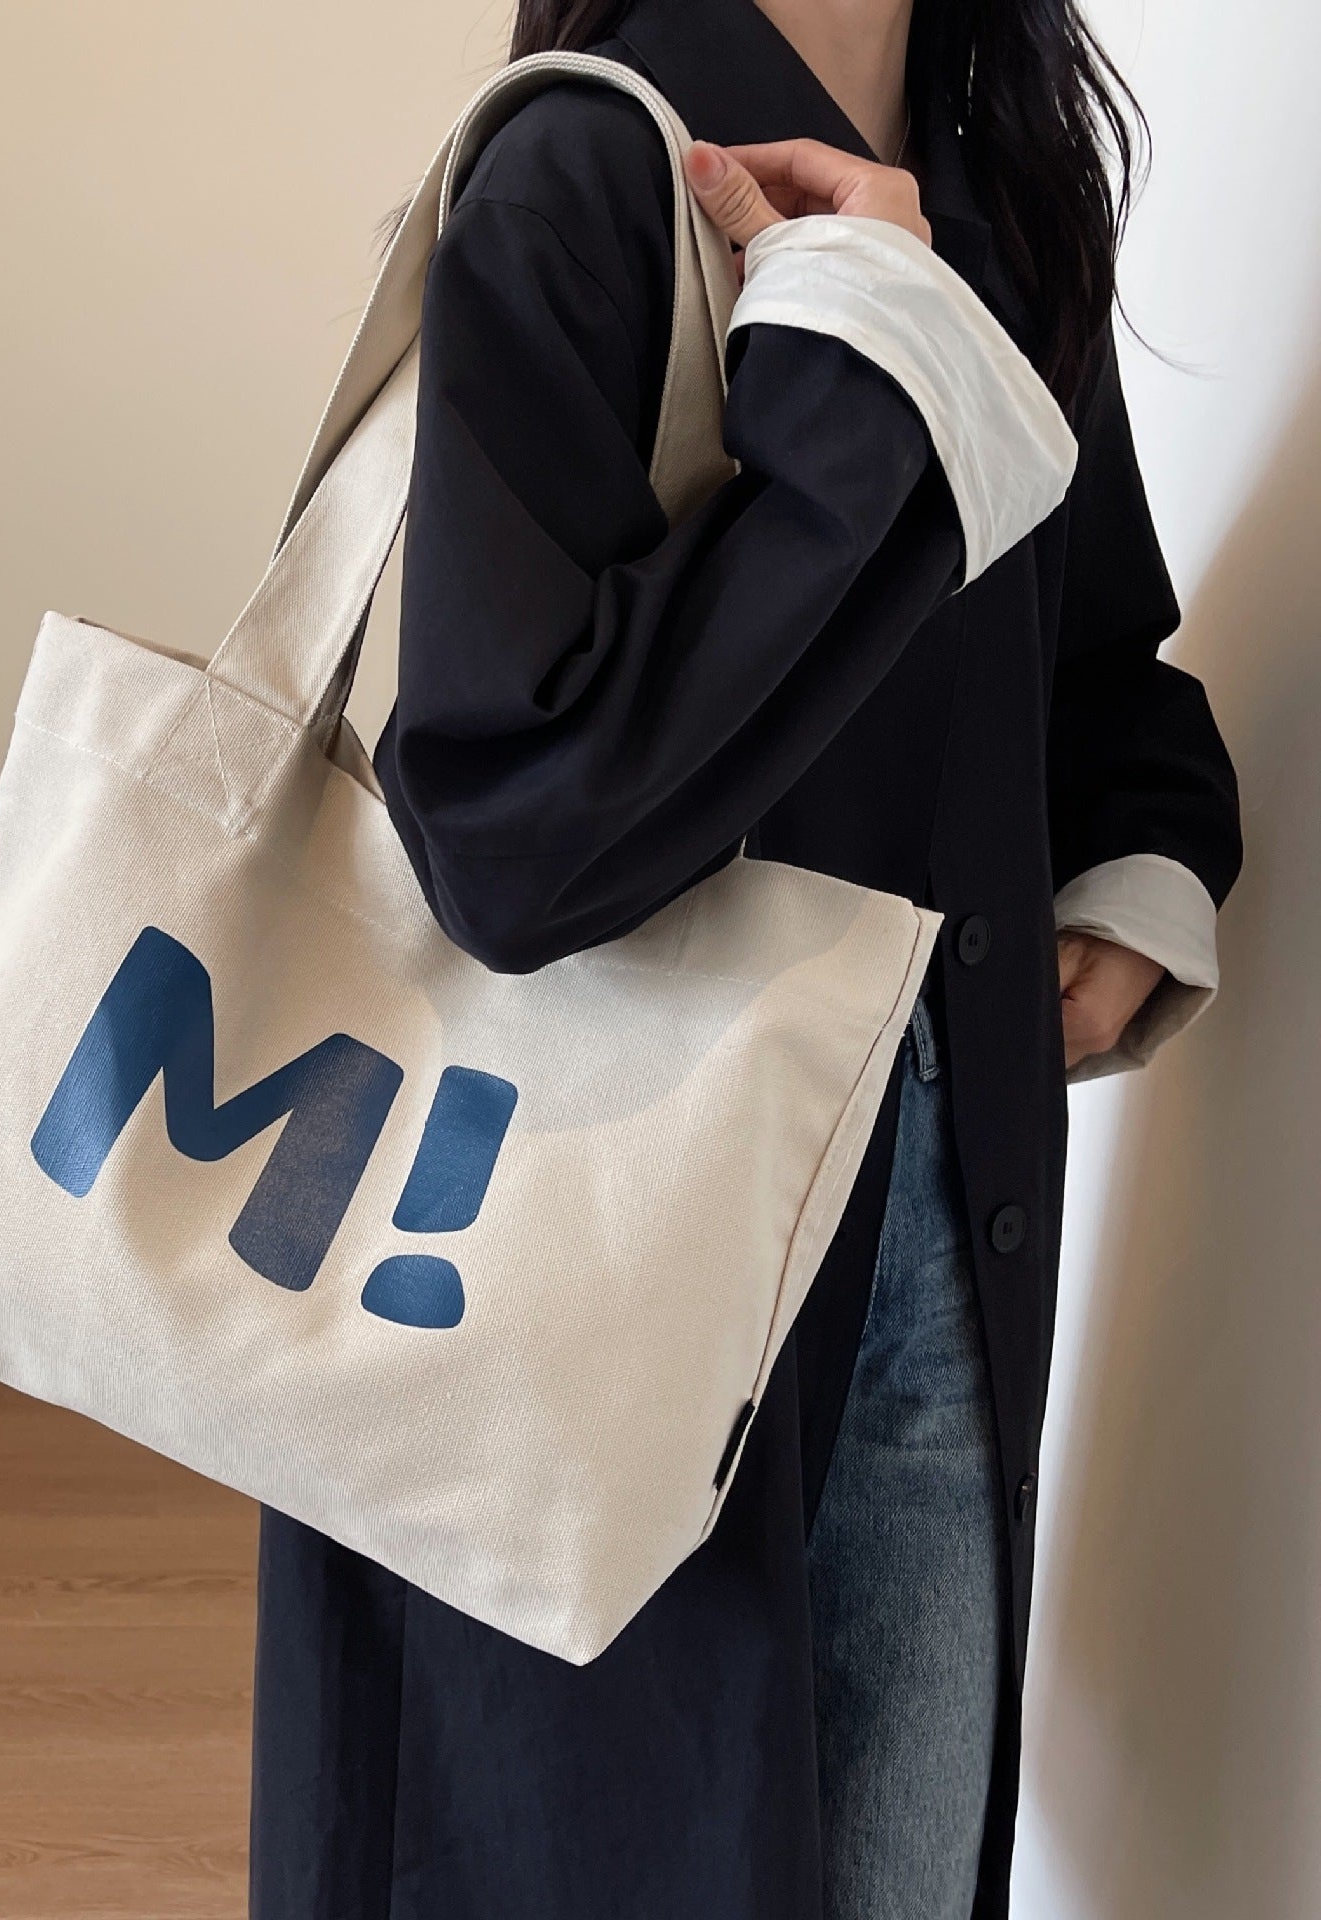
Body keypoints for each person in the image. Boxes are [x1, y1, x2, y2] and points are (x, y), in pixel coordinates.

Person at [248, 1, 1244, 1916]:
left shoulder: (1006, 199)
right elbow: (514, 842)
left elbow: (1091, 660)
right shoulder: (584, 175)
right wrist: (868, 353)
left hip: (937, 1237)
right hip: (586, 1263)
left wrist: (1130, 879)